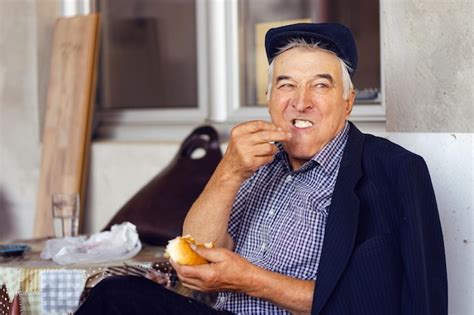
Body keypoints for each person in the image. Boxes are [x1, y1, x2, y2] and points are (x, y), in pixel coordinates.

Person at [76, 23, 448, 315]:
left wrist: (251, 281)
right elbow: (196, 252)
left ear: (347, 101)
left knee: (115, 300)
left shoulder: (391, 171)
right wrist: (229, 171)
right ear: (269, 99)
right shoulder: (260, 162)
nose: (300, 102)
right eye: (286, 85)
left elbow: (375, 305)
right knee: (115, 297)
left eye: (320, 85)